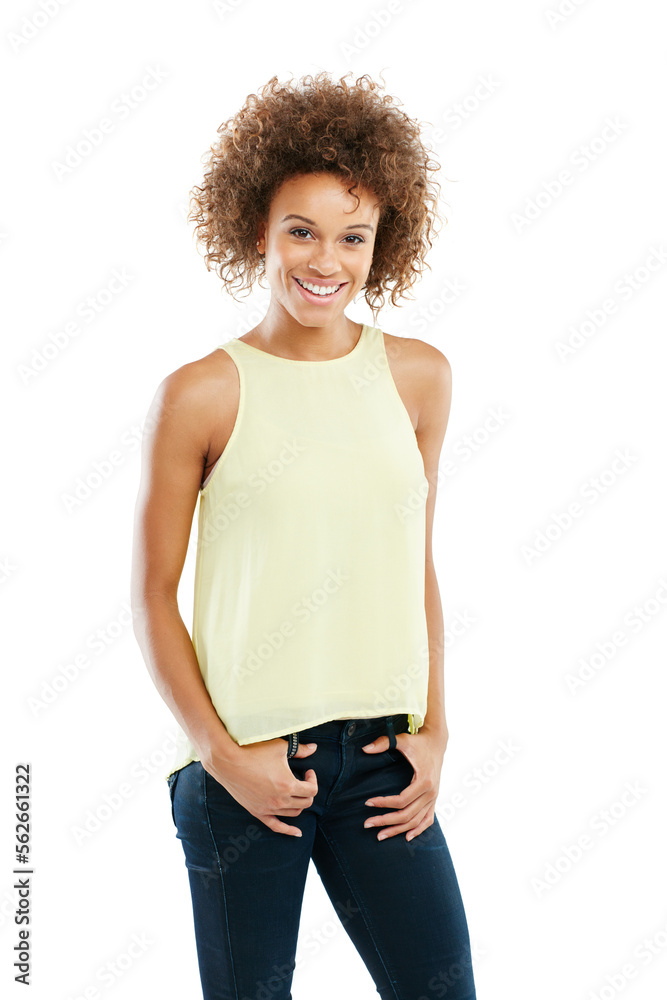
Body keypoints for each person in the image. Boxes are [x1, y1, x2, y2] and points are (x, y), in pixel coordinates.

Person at [131, 70, 477, 1000]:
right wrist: (216, 752)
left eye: (352, 236)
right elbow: (151, 595)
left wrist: (437, 731)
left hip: (383, 765)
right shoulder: (200, 393)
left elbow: (417, 567)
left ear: (380, 245)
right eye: (301, 230)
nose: (325, 260)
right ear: (257, 229)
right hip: (248, 767)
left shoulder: (418, 378)